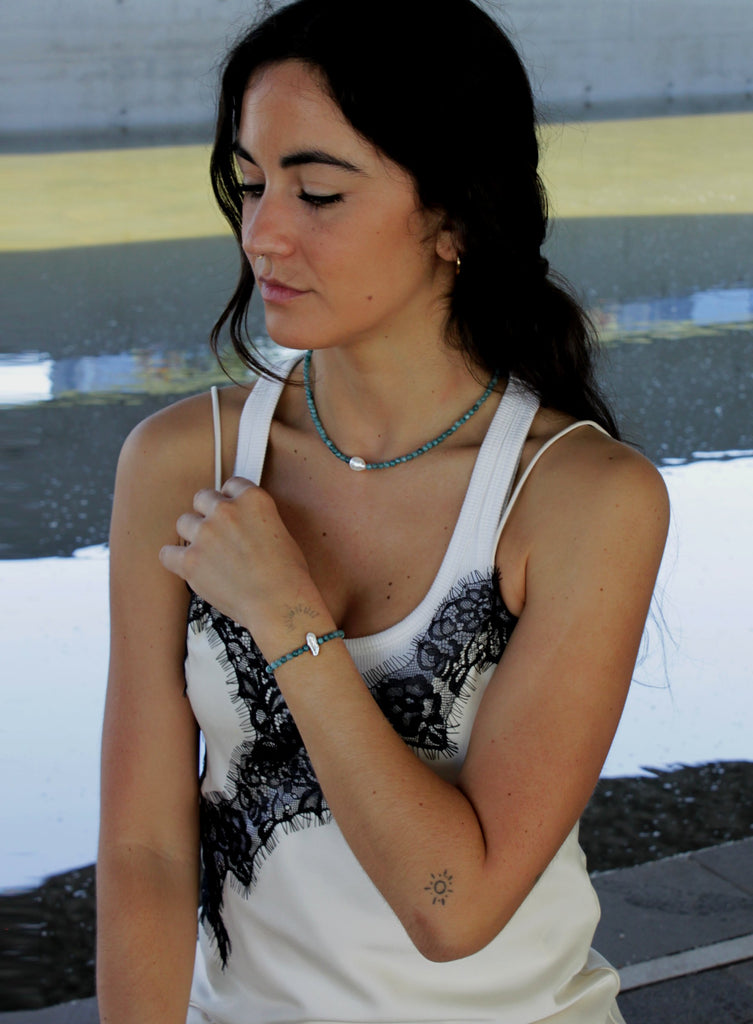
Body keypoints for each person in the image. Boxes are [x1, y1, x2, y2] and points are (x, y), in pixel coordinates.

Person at [96, 1, 669, 1021]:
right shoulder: (183, 461)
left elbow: (455, 909)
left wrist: (285, 617)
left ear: (453, 216)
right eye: (251, 182)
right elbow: (143, 848)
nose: (261, 231)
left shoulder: (582, 500)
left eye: (317, 191)